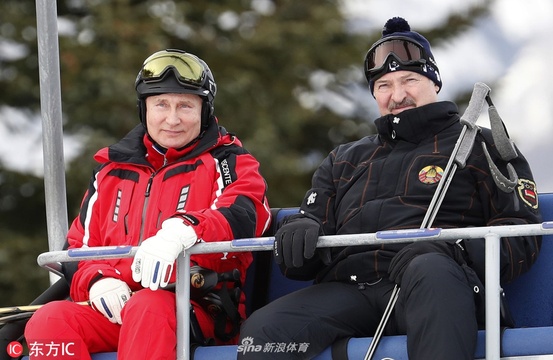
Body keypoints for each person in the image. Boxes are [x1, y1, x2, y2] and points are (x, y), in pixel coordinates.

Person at [238, 17, 542, 360]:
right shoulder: (345, 158)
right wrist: (299, 232)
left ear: (434, 83)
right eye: (383, 85)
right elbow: (310, 229)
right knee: (264, 333)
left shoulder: (477, 145)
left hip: (440, 285)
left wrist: (454, 251)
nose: (397, 95)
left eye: (409, 80)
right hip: (352, 290)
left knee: (429, 270)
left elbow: (521, 233)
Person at [25, 49, 271, 359]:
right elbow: (79, 247)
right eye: (161, 105)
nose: (172, 119)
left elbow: (245, 214)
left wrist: (185, 230)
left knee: (148, 306)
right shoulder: (112, 170)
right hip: (117, 305)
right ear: (144, 109)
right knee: (50, 319)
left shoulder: (227, 162)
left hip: (194, 306)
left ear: (204, 111)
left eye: (185, 106)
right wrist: (98, 281)